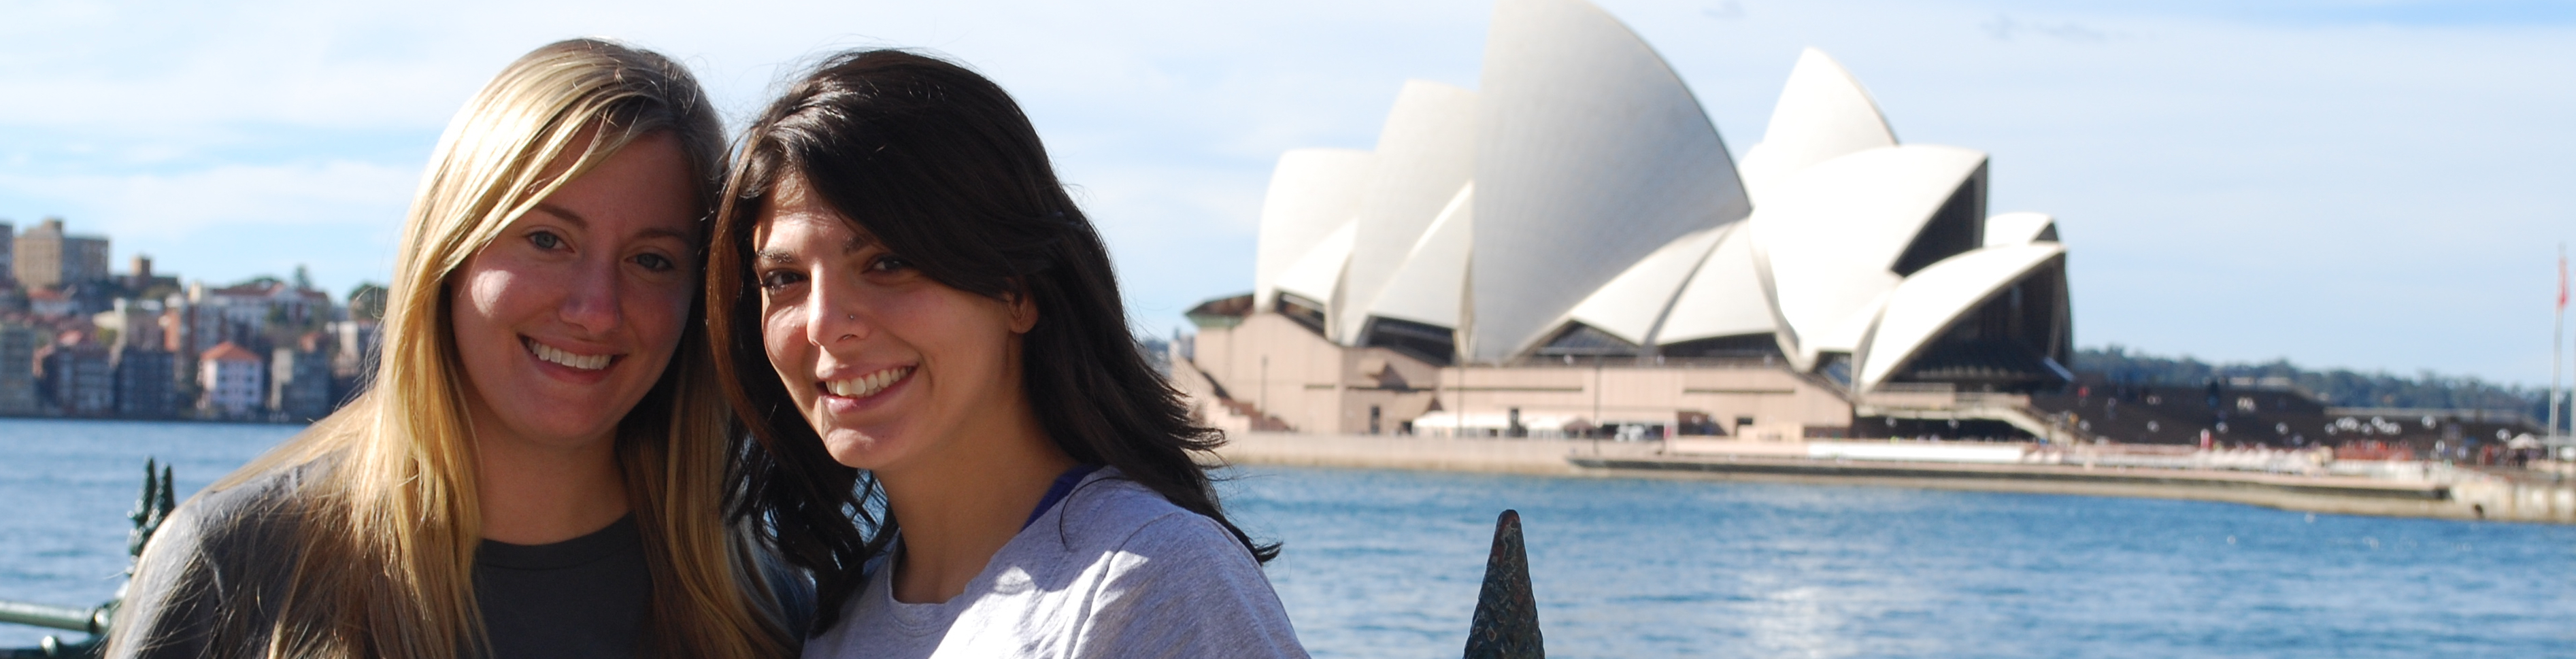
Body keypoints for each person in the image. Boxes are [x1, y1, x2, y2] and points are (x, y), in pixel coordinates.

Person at [107, 39, 801, 659]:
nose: (595, 310)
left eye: (652, 260)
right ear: (449, 251)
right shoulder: (235, 567)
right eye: (546, 240)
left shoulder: (766, 614)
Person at [705, 50, 1308, 658]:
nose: (824, 324)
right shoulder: (839, 618)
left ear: (1018, 291)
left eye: (887, 263)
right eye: (784, 278)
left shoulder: (1154, 582)